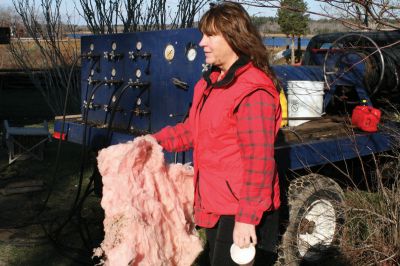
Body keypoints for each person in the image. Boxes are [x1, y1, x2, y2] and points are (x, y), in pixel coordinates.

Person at [153, 2, 282, 265]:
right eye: (203, 35)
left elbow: (259, 160)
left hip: (241, 209)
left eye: (210, 35)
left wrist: (246, 219)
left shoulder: (252, 90)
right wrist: (152, 142)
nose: (201, 42)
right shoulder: (209, 83)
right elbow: (192, 130)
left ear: (234, 38)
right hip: (215, 201)